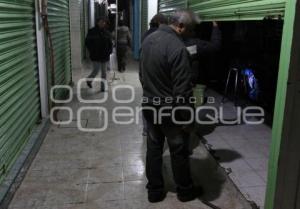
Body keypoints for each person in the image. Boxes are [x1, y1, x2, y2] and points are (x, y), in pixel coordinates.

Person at [140, 10, 201, 203]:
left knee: (154, 148)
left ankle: (155, 191)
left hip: (149, 105)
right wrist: (188, 119)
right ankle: (184, 190)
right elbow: (183, 92)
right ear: (180, 26)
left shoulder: (149, 39)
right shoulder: (178, 47)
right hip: (169, 110)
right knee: (178, 150)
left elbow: (142, 75)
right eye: (190, 30)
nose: (191, 34)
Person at [141, 13, 168, 137]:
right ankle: (161, 128)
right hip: (158, 75)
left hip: (146, 74)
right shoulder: (162, 36)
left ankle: (147, 129)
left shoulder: (145, 35)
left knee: (147, 100)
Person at [184, 21, 222, 85]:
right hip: (186, 83)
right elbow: (215, 46)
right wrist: (215, 26)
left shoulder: (171, 39)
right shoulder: (192, 45)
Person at [85, 18, 113, 92]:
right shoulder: (92, 31)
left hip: (104, 55)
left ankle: (102, 88)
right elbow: (87, 43)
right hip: (96, 55)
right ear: (97, 22)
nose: (102, 23)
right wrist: (92, 51)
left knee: (104, 72)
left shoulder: (107, 32)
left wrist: (110, 51)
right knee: (96, 70)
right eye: (101, 22)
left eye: (104, 22)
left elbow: (110, 43)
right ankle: (89, 80)